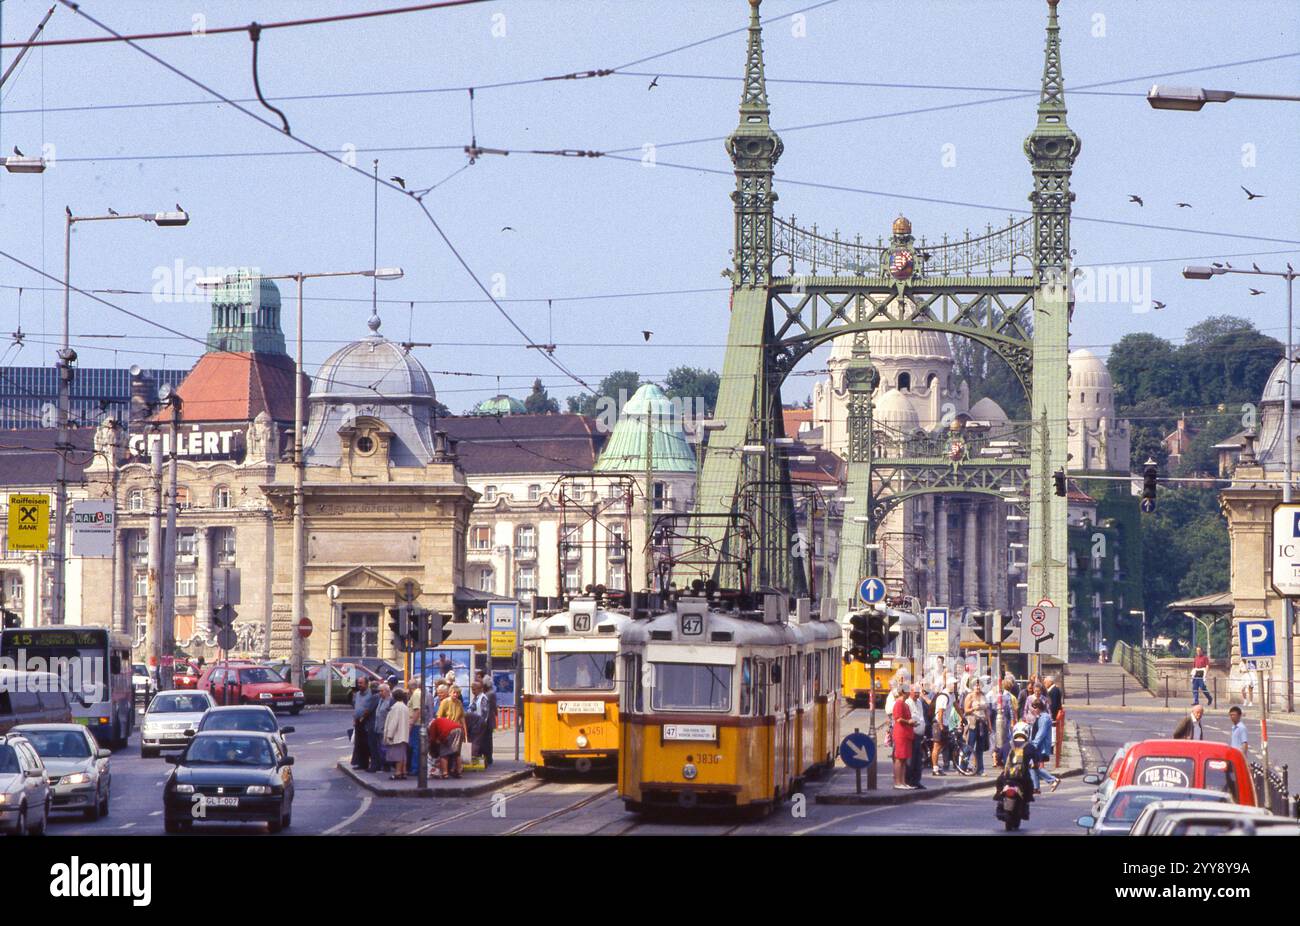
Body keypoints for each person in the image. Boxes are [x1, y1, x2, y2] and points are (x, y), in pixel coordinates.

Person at [994, 722, 1038, 818]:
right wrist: (1034, 766)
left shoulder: (1006, 745)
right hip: (1023, 777)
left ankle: (999, 798)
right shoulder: (1030, 747)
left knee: (999, 782)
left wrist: (1000, 764)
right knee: (1029, 787)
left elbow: (998, 759)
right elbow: (1036, 762)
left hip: (1007, 776)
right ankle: (1025, 807)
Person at [891, 682, 918, 790]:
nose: (909, 694)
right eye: (907, 692)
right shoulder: (899, 703)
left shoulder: (905, 704)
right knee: (899, 758)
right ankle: (898, 782)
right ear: (903, 692)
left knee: (904, 758)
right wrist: (909, 722)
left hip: (906, 733)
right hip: (901, 733)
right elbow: (898, 718)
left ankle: (902, 781)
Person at [1029, 698, 1060, 793]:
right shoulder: (1040, 717)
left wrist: (1033, 745)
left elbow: (1041, 733)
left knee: (1032, 766)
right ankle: (1036, 788)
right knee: (1033, 765)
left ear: (1038, 708)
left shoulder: (1045, 717)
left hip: (1040, 747)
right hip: (1037, 746)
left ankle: (1053, 780)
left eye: (1033, 708)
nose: (1032, 710)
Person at [962, 680, 990, 776]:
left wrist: (989, 725)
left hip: (982, 723)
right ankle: (963, 767)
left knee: (980, 747)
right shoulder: (969, 696)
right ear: (972, 687)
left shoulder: (983, 696)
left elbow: (987, 711)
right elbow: (965, 710)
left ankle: (979, 769)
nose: (978, 687)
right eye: (976, 686)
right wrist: (973, 708)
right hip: (973, 722)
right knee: (970, 745)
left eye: (979, 686)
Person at [384, 688, 411, 780]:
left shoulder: (396, 707)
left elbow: (393, 722)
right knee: (403, 754)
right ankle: (403, 771)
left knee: (397, 755)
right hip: (403, 734)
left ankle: (398, 773)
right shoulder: (405, 707)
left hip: (397, 735)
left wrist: (389, 735)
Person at [428, 714, 465, 780]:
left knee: (444, 754)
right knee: (456, 753)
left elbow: (432, 740)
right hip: (460, 729)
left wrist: (433, 751)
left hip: (449, 732)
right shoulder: (441, 720)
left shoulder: (433, 724)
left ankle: (445, 773)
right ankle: (458, 772)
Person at [351, 677, 377, 770]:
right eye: (358, 683)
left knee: (367, 743)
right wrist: (354, 718)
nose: (359, 685)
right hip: (358, 721)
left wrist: (363, 717)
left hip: (366, 721)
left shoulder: (371, 694)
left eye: (361, 683)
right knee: (359, 743)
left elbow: (369, 708)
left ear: (366, 684)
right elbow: (356, 706)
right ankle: (361, 763)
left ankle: (368, 763)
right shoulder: (357, 694)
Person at [906, 684, 927, 788]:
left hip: (919, 734)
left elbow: (921, 717)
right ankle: (909, 781)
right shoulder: (908, 703)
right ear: (910, 692)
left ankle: (916, 780)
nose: (917, 695)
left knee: (918, 759)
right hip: (912, 734)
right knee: (911, 758)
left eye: (918, 693)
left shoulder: (919, 702)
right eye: (915, 693)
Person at [370, 683, 393, 772]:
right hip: (378, 728)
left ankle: (387, 766)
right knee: (380, 748)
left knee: (384, 749)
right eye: (379, 691)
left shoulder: (390, 701)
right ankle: (382, 765)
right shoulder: (380, 700)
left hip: (385, 729)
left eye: (382, 691)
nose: (380, 693)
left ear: (387, 691)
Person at [481, 674, 498, 767]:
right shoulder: (491, 692)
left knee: (487, 739)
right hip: (489, 718)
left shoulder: (489, 694)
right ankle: (488, 757)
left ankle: (488, 757)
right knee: (488, 739)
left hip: (488, 720)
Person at [407, 680, 424, 769]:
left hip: (416, 724)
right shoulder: (419, 693)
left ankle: (415, 768)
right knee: (415, 747)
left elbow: (417, 710)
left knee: (415, 747)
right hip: (417, 724)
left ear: (410, 687)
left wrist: (411, 724)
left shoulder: (416, 694)